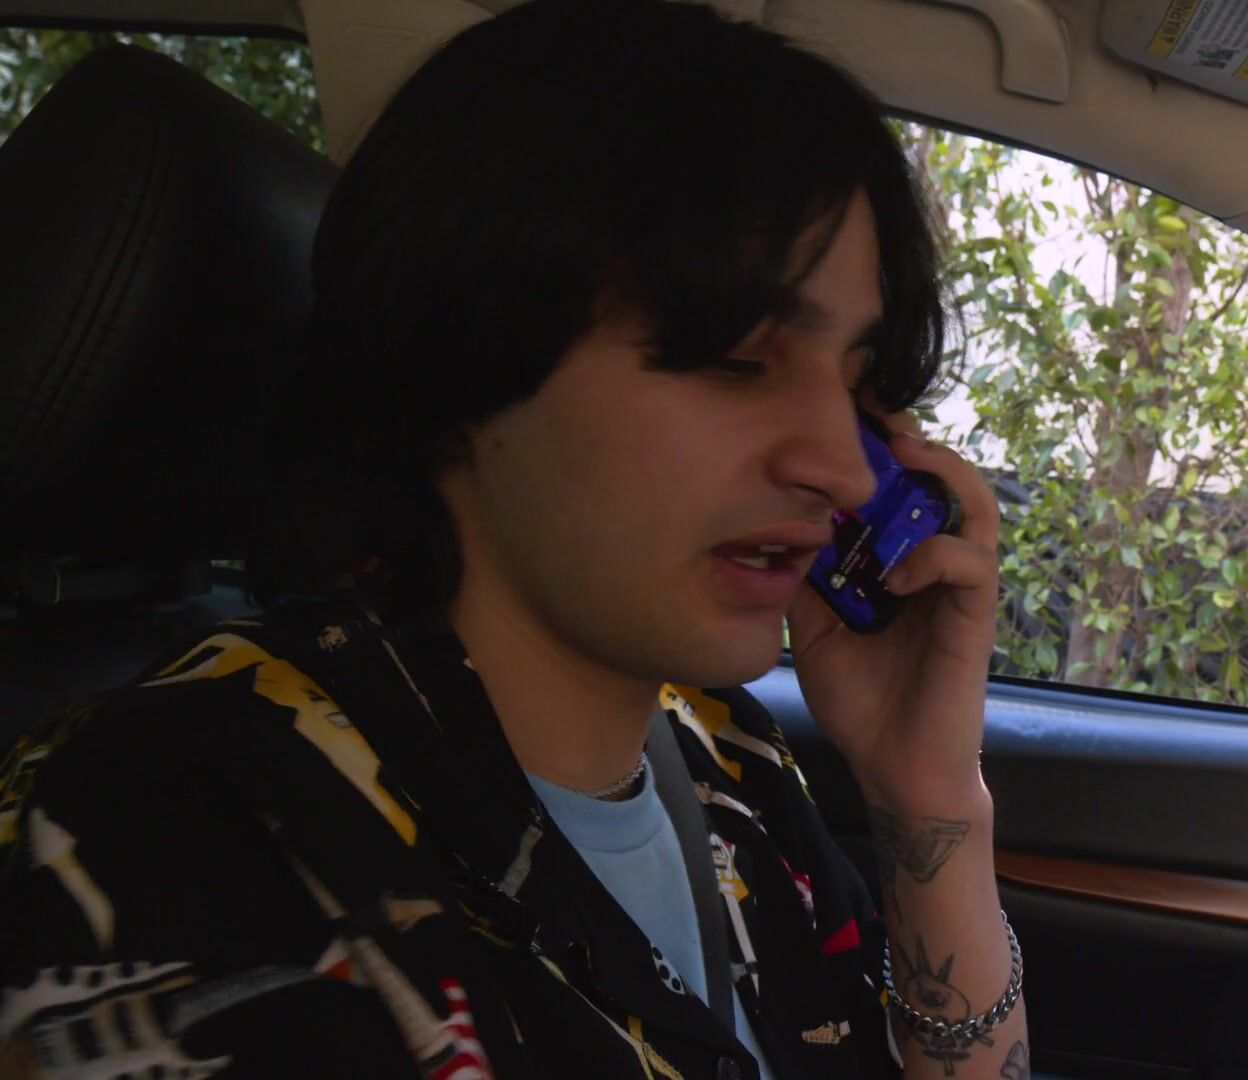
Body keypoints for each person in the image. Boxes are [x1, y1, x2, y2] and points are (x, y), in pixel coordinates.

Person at [0, 1, 1027, 1077]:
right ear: (463, 352)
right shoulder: (173, 839)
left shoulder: (729, 756)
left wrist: (929, 800)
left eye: (856, 381)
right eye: (737, 359)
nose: (846, 470)